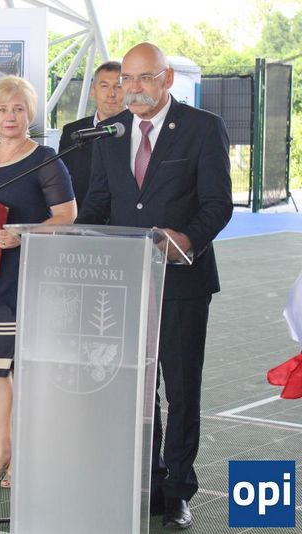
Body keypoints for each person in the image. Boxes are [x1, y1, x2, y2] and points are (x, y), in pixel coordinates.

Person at [77, 42, 233, 529]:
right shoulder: (111, 132)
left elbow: (218, 203)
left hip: (183, 281)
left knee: (181, 389)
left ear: (167, 79)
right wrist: (75, 242)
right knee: (139, 390)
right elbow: (98, 203)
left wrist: (187, 238)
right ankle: (149, 481)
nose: (133, 88)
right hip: (124, 283)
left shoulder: (203, 128)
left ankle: (179, 490)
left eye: (144, 77)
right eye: (127, 78)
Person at [0, 75, 77, 489]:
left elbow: (66, 215)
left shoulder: (45, 159)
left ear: (30, 115)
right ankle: (1, 450)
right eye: (3, 109)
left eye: (19, 109)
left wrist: (24, 234)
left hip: (29, 277)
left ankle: (27, 455)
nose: (10, 116)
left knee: (26, 371)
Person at [58, 61, 124, 210]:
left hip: (124, 218)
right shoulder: (72, 132)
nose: (111, 94)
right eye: (104, 86)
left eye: (118, 86)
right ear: (93, 91)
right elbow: (63, 182)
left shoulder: (140, 130)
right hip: (81, 216)